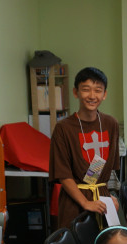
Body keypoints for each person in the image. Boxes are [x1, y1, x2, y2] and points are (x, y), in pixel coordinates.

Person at [48, 67, 120, 229]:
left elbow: (103, 171)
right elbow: (63, 174)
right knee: (77, 242)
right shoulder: (63, 128)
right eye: (86, 89)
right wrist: (86, 202)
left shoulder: (110, 124)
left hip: (102, 201)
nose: (92, 96)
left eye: (98, 90)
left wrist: (110, 196)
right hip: (74, 202)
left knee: (107, 242)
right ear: (76, 92)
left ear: (104, 94)